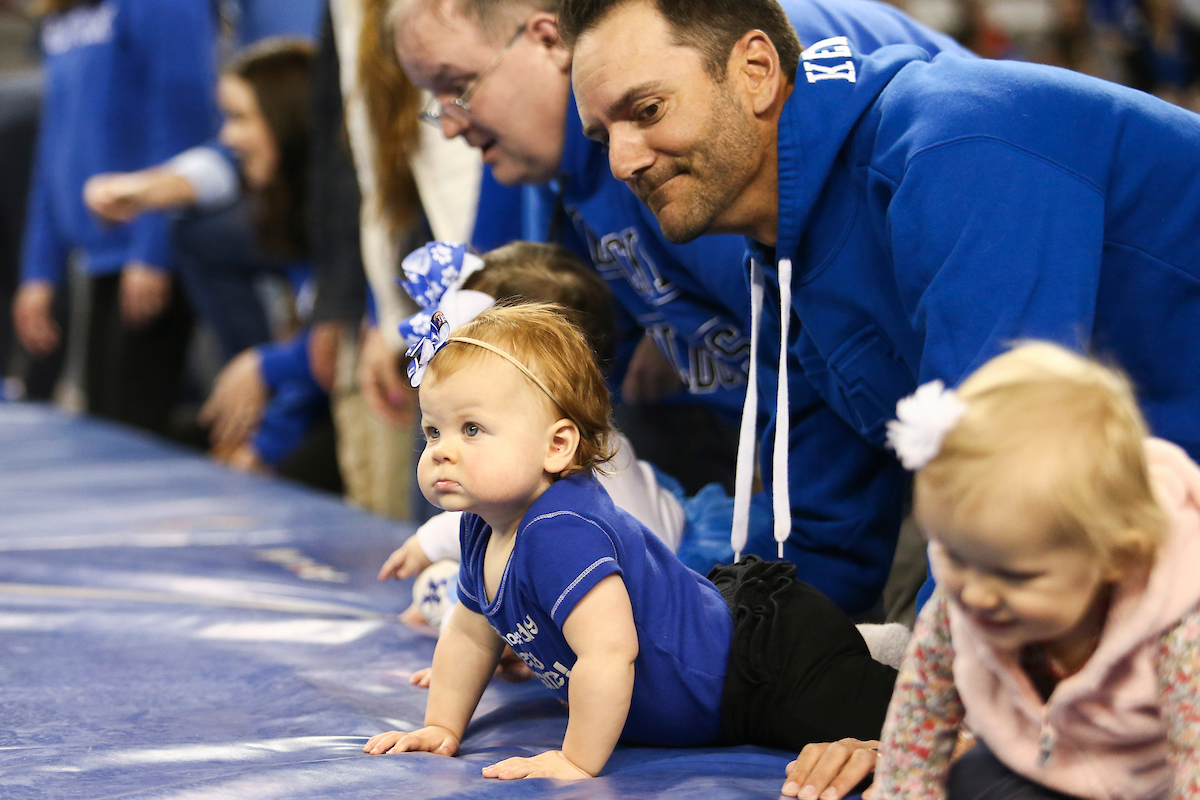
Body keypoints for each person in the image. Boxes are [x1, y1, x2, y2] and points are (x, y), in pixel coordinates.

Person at [562, 0, 1200, 611]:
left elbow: (1011, 494)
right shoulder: (782, 260)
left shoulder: (955, 147)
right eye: (601, 136)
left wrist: (923, 718)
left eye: (647, 109)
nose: (623, 162)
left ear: (755, 72)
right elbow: (824, 545)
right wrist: (634, 633)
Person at [391, 0, 969, 614]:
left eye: (458, 87)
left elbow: (978, 430)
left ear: (544, 39)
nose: (448, 124)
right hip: (813, 468)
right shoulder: (570, 174)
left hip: (925, 463)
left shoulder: (720, 112)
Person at [363, 302, 897, 784]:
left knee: (896, 724)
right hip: (715, 640)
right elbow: (470, 634)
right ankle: (859, 646)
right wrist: (441, 726)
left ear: (557, 445)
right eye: (433, 431)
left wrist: (576, 761)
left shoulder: (560, 530)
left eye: (472, 429)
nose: (441, 451)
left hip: (758, 671)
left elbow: (609, 652)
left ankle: (881, 651)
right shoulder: (480, 526)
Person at [872, 342, 1200, 800]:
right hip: (1039, 765)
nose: (978, 595)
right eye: (958, 557)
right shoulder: (962, 596)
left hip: (1156, 784)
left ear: (1115, 559)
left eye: (1016, 577)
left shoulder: (1180, 630)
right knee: (971, 780)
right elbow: (917, 729)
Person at [14, 0, 218, 434]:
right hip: (98, 263)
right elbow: (54, 147)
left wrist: (152, 251)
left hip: (152, 259)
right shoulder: (63, 17)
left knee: (134, 436)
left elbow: (183, 126)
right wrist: (39, 271)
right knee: (102, 430)